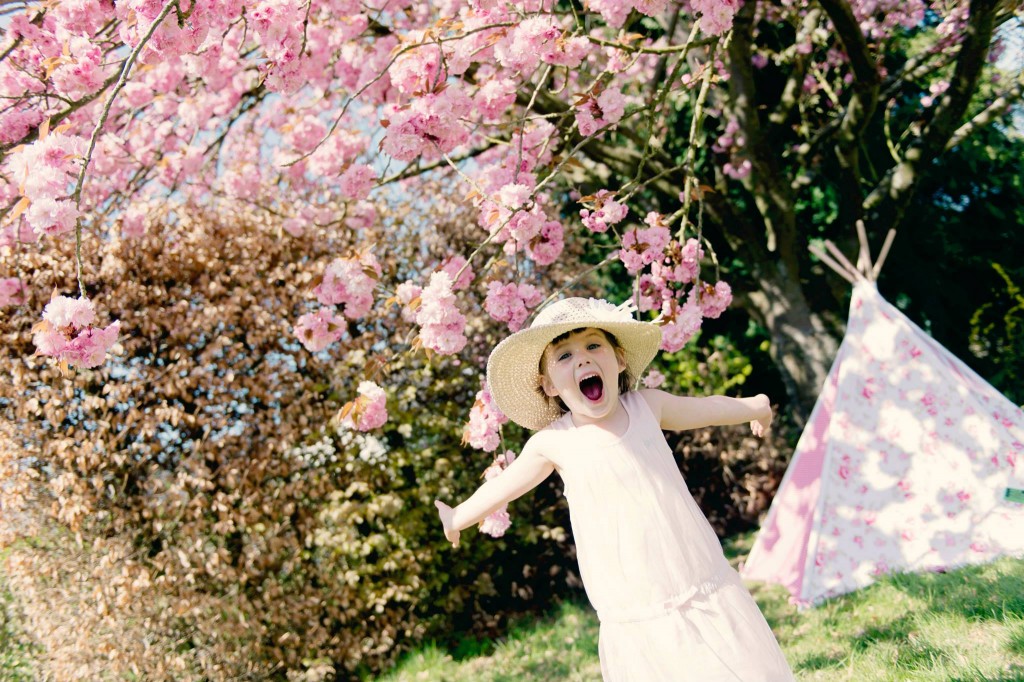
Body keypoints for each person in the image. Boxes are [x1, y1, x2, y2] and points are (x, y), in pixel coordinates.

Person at [434, 297, 795, 681]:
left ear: (619, 359)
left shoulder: (647, 407)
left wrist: (754, 406)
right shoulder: (553, 443)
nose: (583, 360)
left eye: (593, 345)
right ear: (549, 386)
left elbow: (705, 409)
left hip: (695, 572)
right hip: (633, 598)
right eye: (564, 356)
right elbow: (505, 486)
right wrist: (458, 516)